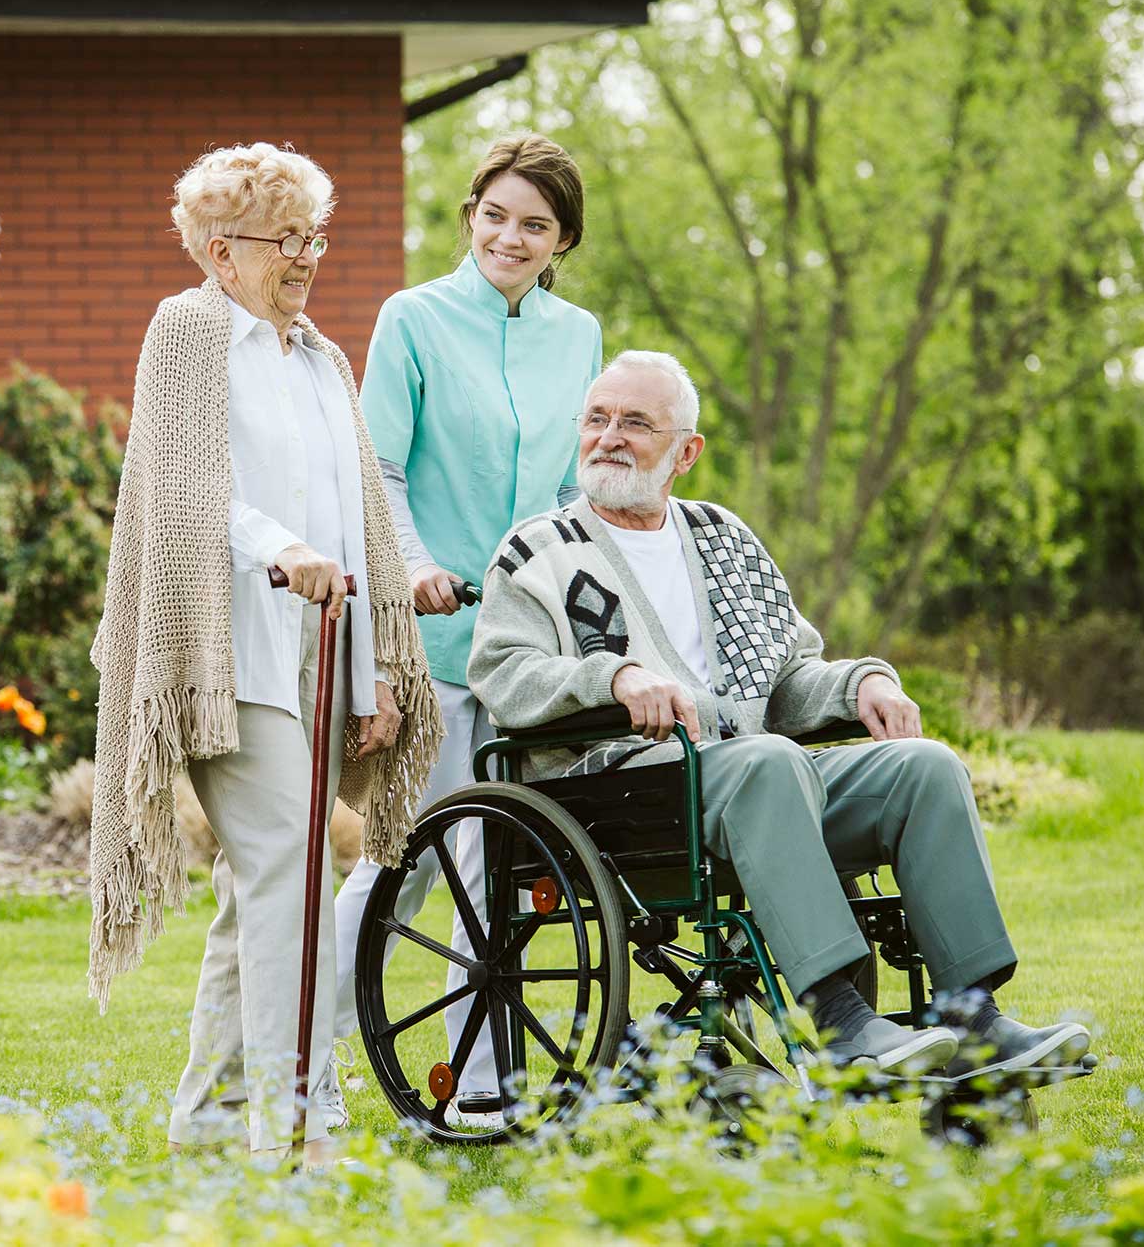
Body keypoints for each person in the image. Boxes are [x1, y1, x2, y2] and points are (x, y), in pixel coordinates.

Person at [465, 349, 1091, 1077]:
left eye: (636, 422)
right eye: (597, 418)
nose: (609, 437)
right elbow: (501, 673)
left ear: (686, 451)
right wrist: (614, 676)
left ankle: (971, 1016)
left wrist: (860, 685)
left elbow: (788, 672)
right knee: (769, 760)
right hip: (623, 794)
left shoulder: (723, 538)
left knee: (925, 767)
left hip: (761, 785)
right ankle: (839, 1018)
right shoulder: (538, 550)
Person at [86, 142, 445, 1164]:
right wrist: (277, 549)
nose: (304, 257)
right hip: (223, 652)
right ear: (216, 250)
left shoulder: (322, 359)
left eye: (312, 236)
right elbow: (187, 485)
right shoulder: (188, 332)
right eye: (281, 239)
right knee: (287, 865)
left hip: (321, 651)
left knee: (262, 890)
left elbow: (358, 513)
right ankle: (292, 1124)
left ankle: (204, 1124)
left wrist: (377, 663)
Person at [325, 134, 603, 1128]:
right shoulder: (412, 319)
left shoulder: (577, 336)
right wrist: (410, 569)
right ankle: (292, 1057)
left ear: (560, 238)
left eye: (533, 224)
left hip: (523, 647)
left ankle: (479, 1082)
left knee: (500, 859)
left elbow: (572, 490)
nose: (509, 236)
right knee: (398, 854)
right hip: (432, 637)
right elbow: (379, 472)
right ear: (469, 214)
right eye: (494, 215)